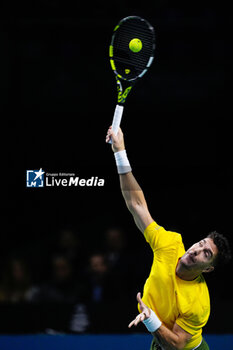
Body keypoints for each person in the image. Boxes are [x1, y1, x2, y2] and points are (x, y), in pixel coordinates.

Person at [106, 127, 231, 350]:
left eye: (206, 254)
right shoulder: (169, 244)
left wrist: (151, 318)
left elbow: (177, 346)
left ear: (208, 269)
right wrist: (120, 151)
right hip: (159, 342)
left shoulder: (199, 303)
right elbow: (137, 205)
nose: (196, 250)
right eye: (201, 244)